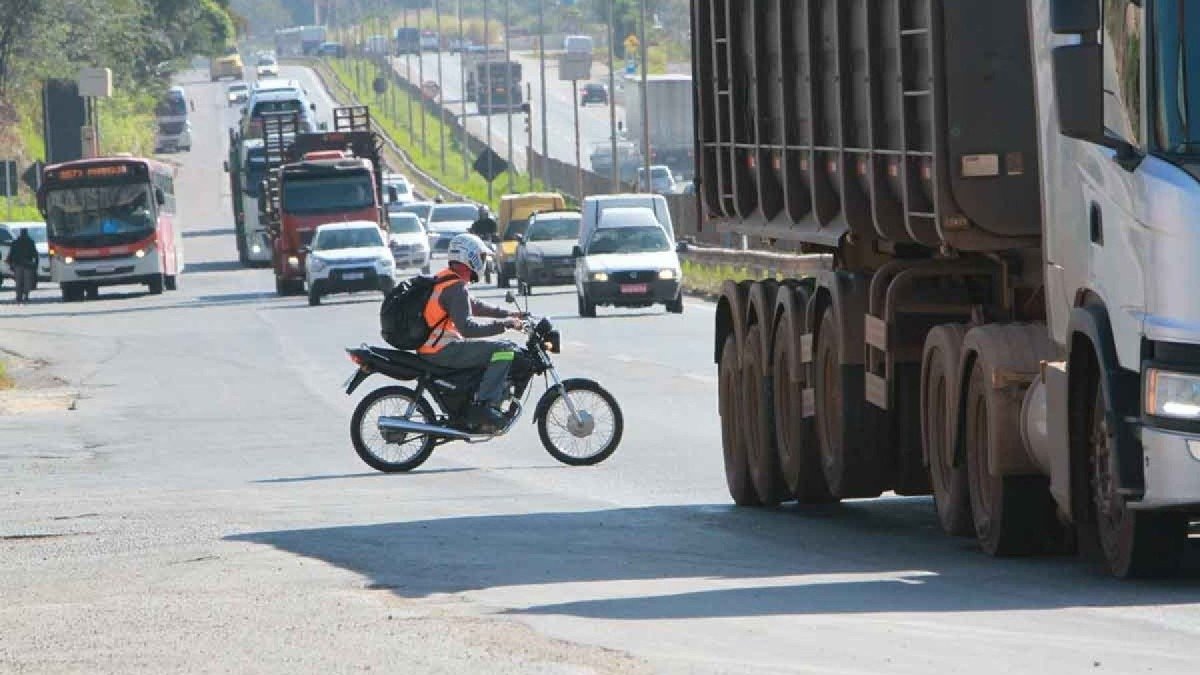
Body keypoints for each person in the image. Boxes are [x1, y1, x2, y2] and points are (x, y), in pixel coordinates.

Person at [418, 233, 525, 432]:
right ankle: (483, 407)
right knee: (505, 350)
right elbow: (467, 328)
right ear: (469, 257)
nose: (483, 262)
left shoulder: (446, 279)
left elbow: (474, 306)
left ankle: (478, 399)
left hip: (434, 347)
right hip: (442, 350)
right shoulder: (455, 287)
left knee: (499, 349)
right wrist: (505, 324)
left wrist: (509, 314)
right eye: (481, 257)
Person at [6, 228, 39, 305]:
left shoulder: (16, 242)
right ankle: (24, 296)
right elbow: (35, 254)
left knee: (19, 281)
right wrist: (35, 264)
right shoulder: (30, 242)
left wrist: (10, 263)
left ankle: (20, 297)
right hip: (26, 264)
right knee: (26, 282)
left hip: (20, 264)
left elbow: (11, 254)